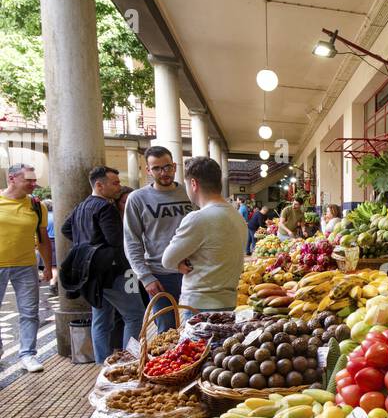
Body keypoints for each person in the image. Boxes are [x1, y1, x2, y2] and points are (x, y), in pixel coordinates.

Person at [60, 166, 144, 364]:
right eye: (115, 183)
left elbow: (66, 229)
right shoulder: (105, 207)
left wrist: (86, 246)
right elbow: (116, 242)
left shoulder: (82, 206)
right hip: (113, 273)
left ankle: (101, 365)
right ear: (99, 185)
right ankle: (128, 363)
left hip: (91, 275)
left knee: (101, 320)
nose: (119, 186)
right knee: (134, 315)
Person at [161, 156, 248, 315]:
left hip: (199, 306)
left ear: (193, 184)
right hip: (229, 303)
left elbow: (167, 260)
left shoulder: (198, 218)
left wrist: (179, 262)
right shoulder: (238, 217)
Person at [123, 146, 193, 329]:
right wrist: (145, 277)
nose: (164, 172)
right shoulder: (137, 198)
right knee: (166, 330)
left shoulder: (191, 192)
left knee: (197, 327)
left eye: (168, 167)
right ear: (148, 170)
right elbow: (132, 240)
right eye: (157, 168)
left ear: (175, 166)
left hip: (193, 271)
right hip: (160, 275)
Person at [0, 162, 51, 372]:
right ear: (12, 179)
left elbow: (43, 239)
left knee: (30, 312)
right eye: (28, 180)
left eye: (34, 179)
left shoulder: (37, 206)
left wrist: (48, 266)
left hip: (26, 265)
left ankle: (28, 354)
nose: (33, 183)